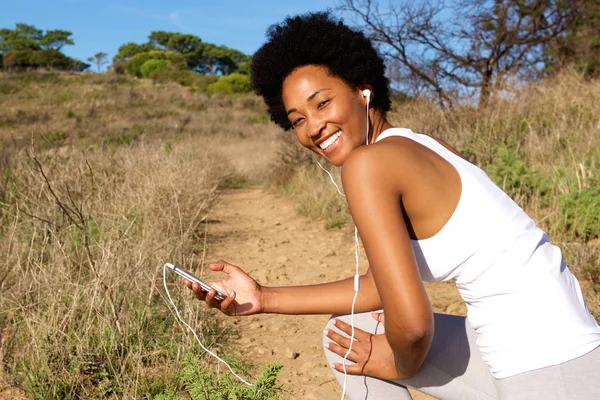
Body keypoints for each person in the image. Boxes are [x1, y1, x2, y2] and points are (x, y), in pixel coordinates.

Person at [185, 12, 600, 399]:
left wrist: (398, 363)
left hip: (552, 369)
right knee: (351, 332)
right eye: (297, 119)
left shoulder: (367, 165)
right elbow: (376, 289)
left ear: (361, 88)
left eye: (322, 103)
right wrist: (263, 297)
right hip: (541, 351)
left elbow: (414, 329)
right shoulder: (419, 145)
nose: (313, 127)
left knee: (377, 346)